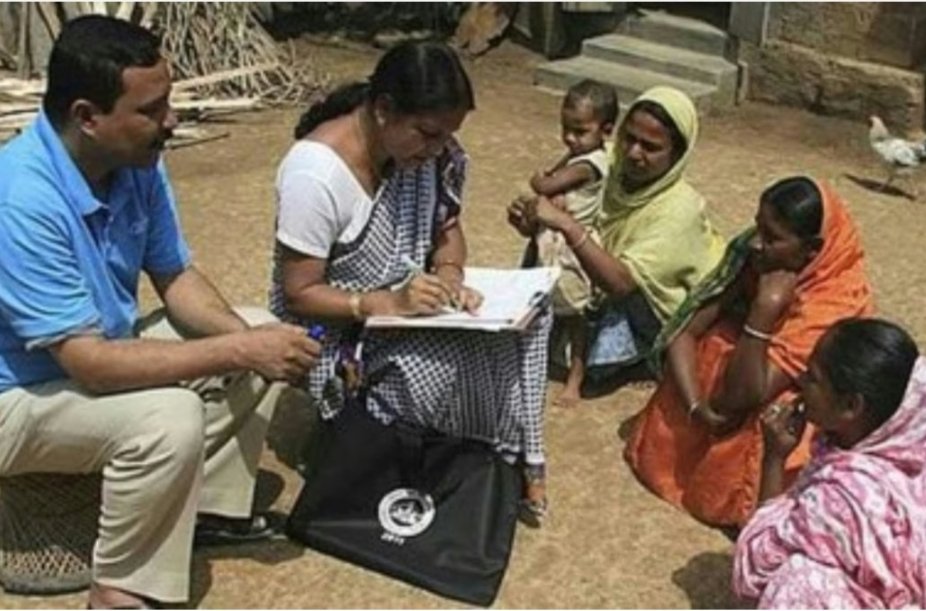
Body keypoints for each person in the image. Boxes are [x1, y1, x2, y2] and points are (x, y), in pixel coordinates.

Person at [0, 16, 321, 609]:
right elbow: (91, 365)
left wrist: (251, 344)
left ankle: (205, 511)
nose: (171, 120)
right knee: (169, 416)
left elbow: (175, 277)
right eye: (151, 110)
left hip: (88, 356)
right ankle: (119, 588)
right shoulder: (20, 198)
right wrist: (237, 349)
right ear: (87, 117)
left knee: (257, 329)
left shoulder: (135, 161)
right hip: (17, 395)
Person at [269, 41, 553, 524]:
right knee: (440, 369)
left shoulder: (428, 159)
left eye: (447, 136)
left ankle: (512, 460)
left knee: (527, 323)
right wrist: (380, 304)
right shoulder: (315, 174)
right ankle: (370, 445)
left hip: (407, 306)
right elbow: (299, 292)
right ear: (383, 110)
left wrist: (450, 276)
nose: (438, 149)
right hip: (336, 328)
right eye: (428, 134)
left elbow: (447, 232)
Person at [624, 176, 876, 529]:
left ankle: (737, 497)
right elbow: (684, 334)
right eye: (758, 227)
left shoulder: (834, 301)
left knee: (780, 400)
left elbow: (742, 396)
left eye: (772, 238)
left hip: (770, 410)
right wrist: (696, 407)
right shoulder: (752, 256)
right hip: (712, 405)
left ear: (812, 250)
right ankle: (675, 462)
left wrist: (763, 310)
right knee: (715, 345)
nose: (756, 243)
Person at [508, 86, 724, 392]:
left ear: (677, 155)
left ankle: (636, 359)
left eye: (650, 147)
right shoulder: (605, 163)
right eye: (629, 138)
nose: (633, 153)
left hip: (652, 309)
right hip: (596, 281)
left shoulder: (678, 210)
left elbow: (621, 283)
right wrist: (530, 221)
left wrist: (567, 224)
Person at [733, 318, 926, 608]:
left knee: (800, 581)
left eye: (813, 378)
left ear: (851, 406)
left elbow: (755, 566)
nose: (800, 381)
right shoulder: (915, 443)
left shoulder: (842, 498)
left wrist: (774, 459)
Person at [521, 79, 617, 408]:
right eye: (566, 129)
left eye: (580, 131)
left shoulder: (590, 164)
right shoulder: (578, 156)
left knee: (576, 316)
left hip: (573, 250)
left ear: (606, 130)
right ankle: (538, 362)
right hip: (551, 242)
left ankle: (575, 378)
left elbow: (545, 184)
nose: (570, 138)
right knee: (543, 305)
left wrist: (540, 180)